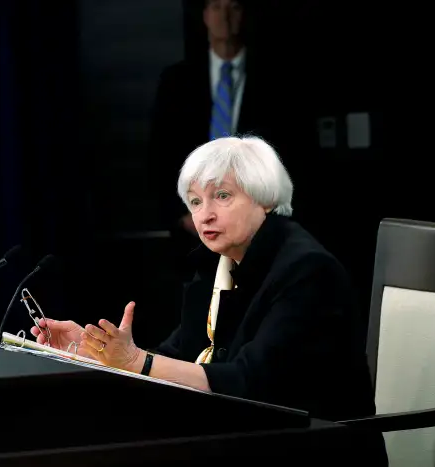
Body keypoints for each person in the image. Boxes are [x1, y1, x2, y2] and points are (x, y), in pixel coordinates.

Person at [32, 136, 387, 464]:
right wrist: (97, 351)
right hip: (242, 436)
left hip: (317, 448)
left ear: (263, 197)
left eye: (222, 196)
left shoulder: (307, 271)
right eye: (196, 202)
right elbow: (176, 356)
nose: (205, 215)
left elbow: (249, 385)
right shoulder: (215, 267)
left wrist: (137, 362)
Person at [147, 0, 287, 277]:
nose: (224, 16)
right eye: (216, 6)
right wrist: (182, 215)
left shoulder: (276, 78)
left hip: (260, 231)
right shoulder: (177, 80)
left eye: (233, 7)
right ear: (204, 15)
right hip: (193, 233)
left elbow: (291, 154)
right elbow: (158, 156)